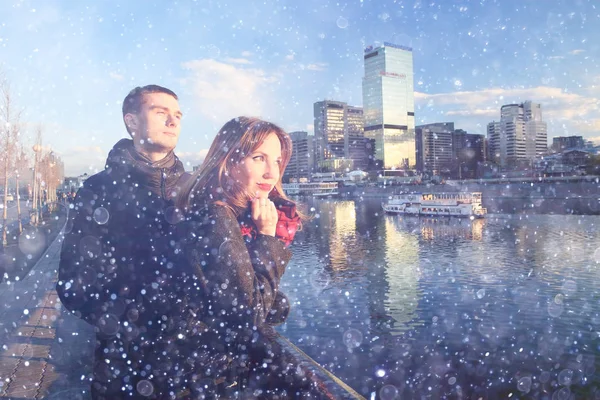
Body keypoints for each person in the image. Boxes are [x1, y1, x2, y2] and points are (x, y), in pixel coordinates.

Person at [169, 116, 332, 398]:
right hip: (209, 374)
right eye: (259, 158)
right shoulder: (217, 217)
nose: (272, 172)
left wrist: (268, 298)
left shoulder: (222, 211)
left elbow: (243, 299)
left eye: (278, 161)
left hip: (199, 366)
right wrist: (268, 238)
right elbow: (249, 314)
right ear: (229, 160)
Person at [56, 85, 189, 399]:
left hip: (187, 360)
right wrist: (122, 321)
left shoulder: (192, 192)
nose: (173, 122)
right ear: (132, 122)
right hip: (122, 360)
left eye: (178, 116)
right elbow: (72, 280)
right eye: (161, 113)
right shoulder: (98, 190)